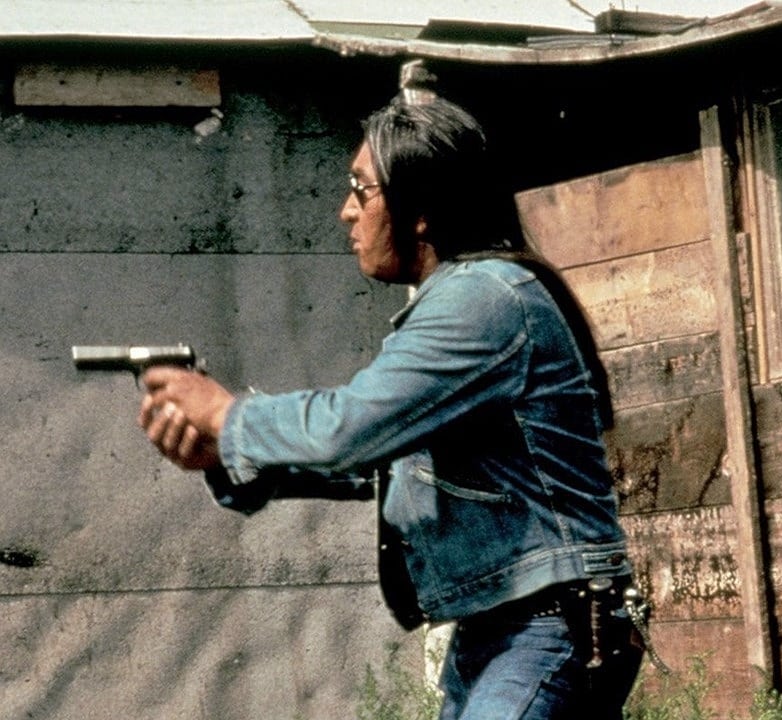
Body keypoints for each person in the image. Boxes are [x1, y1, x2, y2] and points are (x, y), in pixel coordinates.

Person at [137, 97, 644, 720]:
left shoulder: (482, 298)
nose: (347, 210)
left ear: (422, 210)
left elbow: (349, 430)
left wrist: (228, 415)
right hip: (504, 631)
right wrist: (224, 454)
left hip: (546, 631)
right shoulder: (468, 298)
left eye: (362, 188)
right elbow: (388, 461)